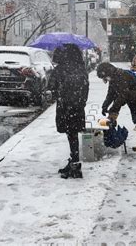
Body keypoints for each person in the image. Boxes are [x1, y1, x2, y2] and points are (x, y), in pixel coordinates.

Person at [48, 44, 89, 179]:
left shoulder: (60, 69)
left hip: (65, 107)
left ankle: (75, 165)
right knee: (74, 133)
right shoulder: (81, 68)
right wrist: (81, 102)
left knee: (70, 134)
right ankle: (74, 162)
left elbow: (51, 88)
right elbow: (86, 87)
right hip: (77, 107)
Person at [97, 62, 136, 151]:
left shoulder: (121, 76)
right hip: (131, 94)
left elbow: (123, 96)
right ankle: (112, 131)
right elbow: (111, 94)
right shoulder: (113, 77)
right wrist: (105, 105)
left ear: (108, 72)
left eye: (104, 77)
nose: (105, 79)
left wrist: (113, 109)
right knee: (117, 108)